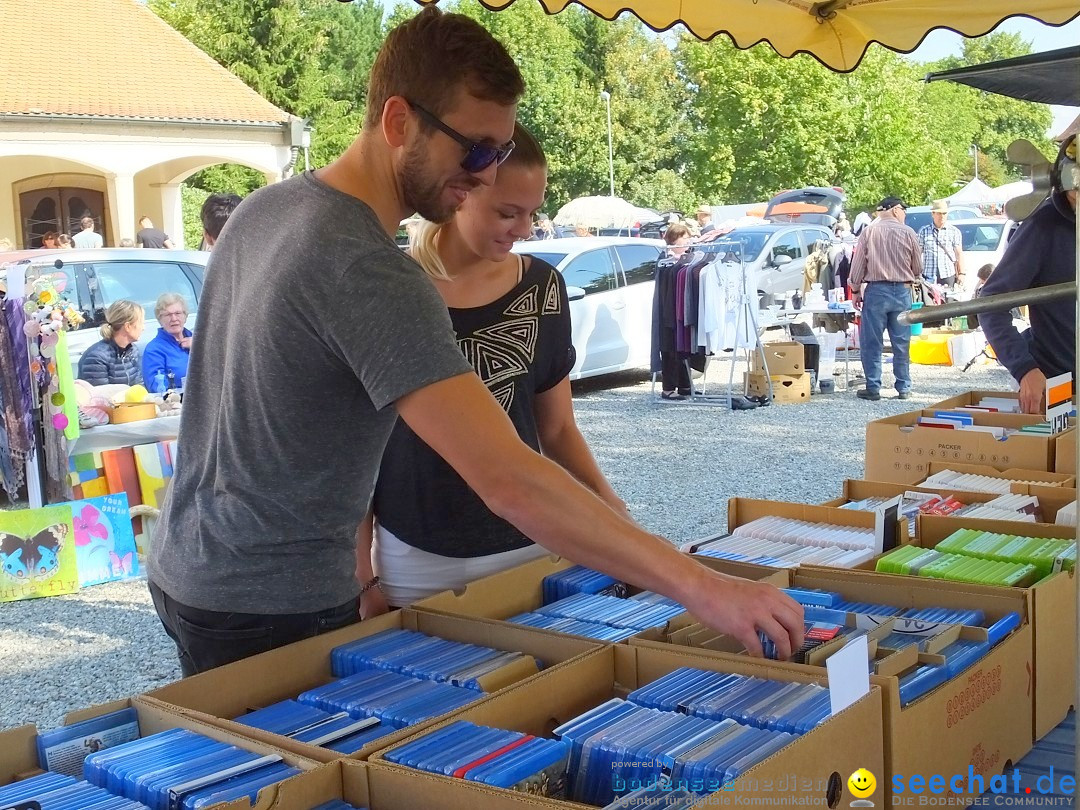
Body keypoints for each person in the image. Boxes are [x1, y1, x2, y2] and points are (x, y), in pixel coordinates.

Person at [146, 7, 802, 677]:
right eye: (478, 150)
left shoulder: (268, 208)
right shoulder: (368, 268)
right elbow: (510, 478)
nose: (488, 176)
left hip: (189, 566)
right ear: (399, 122)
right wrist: (700, 585)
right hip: (272, 602)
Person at [357, 123, 628, 611]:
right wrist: (363, 575)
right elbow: (357, 447)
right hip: (415, 555)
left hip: (532, 542)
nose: (524, 229)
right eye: (508, 212)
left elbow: (558, 427)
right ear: (460, 194)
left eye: (533, 213)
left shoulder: (543, 287)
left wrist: (611, 509)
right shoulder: (391, 289)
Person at [979, 135, 1077, 414]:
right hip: (1058, 383)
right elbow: (991, 304)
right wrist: (1025, 368)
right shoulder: (1043, 226)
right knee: (1060, 457)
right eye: (1076, 192)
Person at [849, 196, 922, 402]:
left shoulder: (869, 231)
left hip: (876, 291)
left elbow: (857, 266)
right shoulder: (909, 232)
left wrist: (855, 290)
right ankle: (904, 387)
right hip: (901, 291)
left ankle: (873, 387)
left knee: (872, 342)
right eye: (904, 210)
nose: (905, 214)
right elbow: (918, 267)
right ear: (896, 210)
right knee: (901, 342)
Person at [654, 222, 694, 400]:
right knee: (669, 349)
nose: (687, 241)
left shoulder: (688, 259)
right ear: (674, 239)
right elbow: (664, 292)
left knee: (683, 349)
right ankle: (668, 388)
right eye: (684, 237)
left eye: (688, 237)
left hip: (680, 312)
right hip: (668, 313)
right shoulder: (665, 261)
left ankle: (685, 386)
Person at [77, 300, 145, 386]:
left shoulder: (133, 350)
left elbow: (139, 386)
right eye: (141, 323)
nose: (143, 328)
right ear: (127, 327)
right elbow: (100, 397)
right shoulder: (97, 358)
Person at [142, 293, 192, 392]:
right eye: (168, 315)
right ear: (160, 319)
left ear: (185, 316)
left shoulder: (199, 341)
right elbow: (156, 388)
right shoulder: (154, 350)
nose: (174, 319)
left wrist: (200, 348)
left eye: (178, 313)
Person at [918, 199, 964, 290]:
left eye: (944, 213)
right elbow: (918, 253)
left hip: (948, 275)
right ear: (933, 214)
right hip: (928, 275)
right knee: (929, 302)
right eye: (939, 213)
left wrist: (962, 274)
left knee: (949, 302)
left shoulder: (954, 231)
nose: (942, 216)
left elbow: (959, 254)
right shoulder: (924, 231)